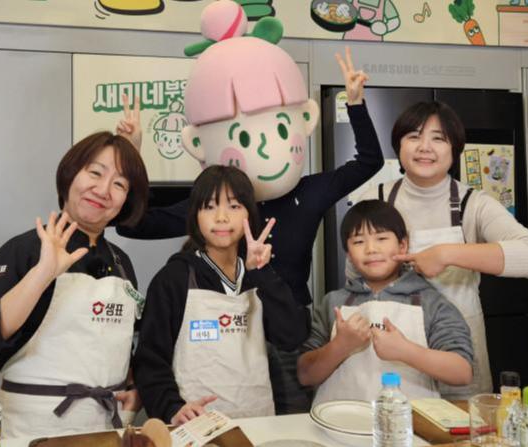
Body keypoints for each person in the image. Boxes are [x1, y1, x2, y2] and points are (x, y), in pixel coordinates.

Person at [123, 1, 384, 413]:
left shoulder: (308, 193)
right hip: (219, 337)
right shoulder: (216, 207)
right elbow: (133, 224)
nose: (223, 215)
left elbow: (369, 161)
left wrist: (354, 102)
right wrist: (132, 156)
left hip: (286, 329)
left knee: (286, 425)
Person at [0, 131, 149, 438]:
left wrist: (133, 386)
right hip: (32, 430)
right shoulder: (25, 250)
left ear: (126, 200)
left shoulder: (122, 262)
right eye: (95, 173)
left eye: (119, 184)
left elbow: (119, 342)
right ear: (70, 174)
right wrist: (42, 274)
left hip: (103, 430)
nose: (103, 190)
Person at [352, 101, 528, 398]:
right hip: (390, 356)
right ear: (399, 146)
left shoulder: (475, 204)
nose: (425, 147)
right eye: (414, 136)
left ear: (454, 149)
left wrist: (447, 254)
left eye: (438, 138)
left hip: (459, 358)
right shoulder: (375, 199)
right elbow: (354, 279)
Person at [133, 165, 309, 425]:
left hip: (257, 422)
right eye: (209, 207)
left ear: (250, 214)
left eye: (234, 206)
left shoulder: (259, 275)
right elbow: (150, 360)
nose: (222, 217)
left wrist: (262, 274)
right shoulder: (174, 279)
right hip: (194, 425)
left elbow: (292, 337)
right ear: (195, 216)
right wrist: (172, 408)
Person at [298, 200, 473, 403]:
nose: (371, 249)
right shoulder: (333, 302)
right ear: (348, 254)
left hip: (410, 421)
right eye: (358, 242)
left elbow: (462, 372)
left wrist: (405, 351)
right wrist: (341, 345)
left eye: (381, 238)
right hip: (339, 419)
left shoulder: (430, 302)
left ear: (402, 245)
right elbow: (305, 375)